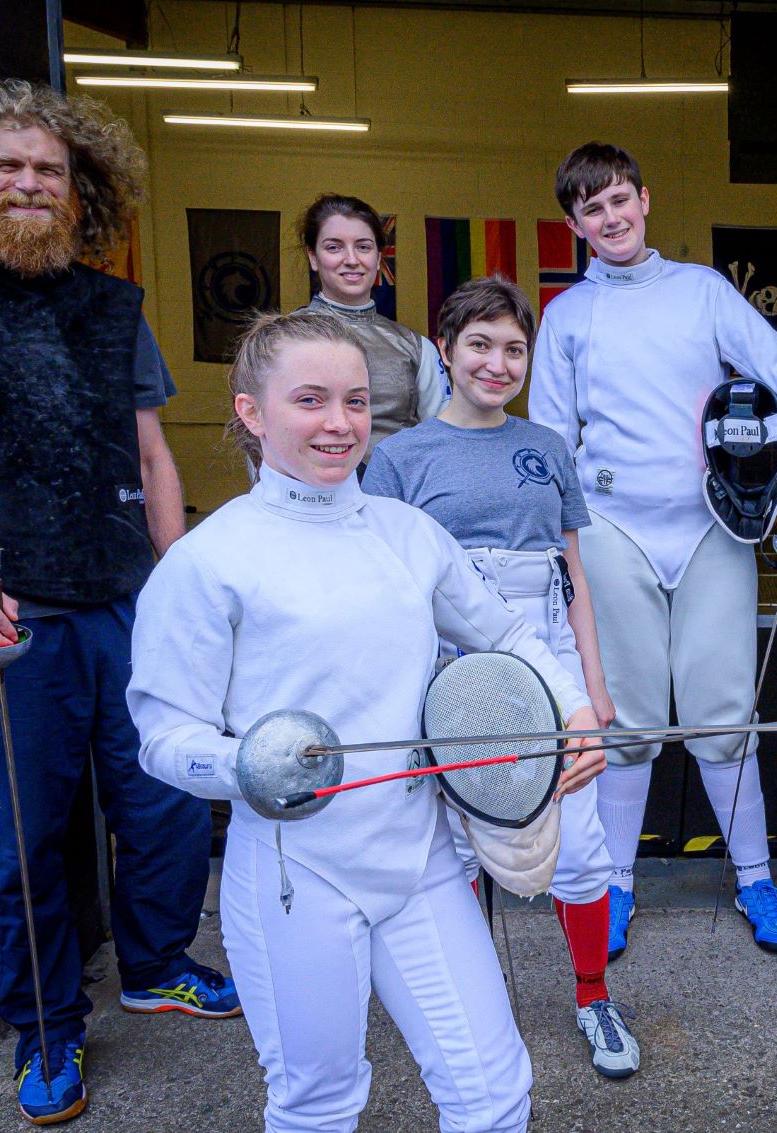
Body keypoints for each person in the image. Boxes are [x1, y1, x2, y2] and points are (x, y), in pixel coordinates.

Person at [0, 78, 232, 1125]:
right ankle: (47, 1027)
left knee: (163, 801)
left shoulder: (112, 304)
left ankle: (156, 962)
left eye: (48, 170)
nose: (28, 183)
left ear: (81, 191)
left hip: (126, 603)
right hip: (12, 620)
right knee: (23, 841)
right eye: (6, 165)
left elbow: (153, 453)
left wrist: (181, 588)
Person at [128, 310, 603, 1133]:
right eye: (310, 400)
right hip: (294, 872)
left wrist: (575, 709)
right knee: (318, 1102)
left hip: (418, 860)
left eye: (353, 401)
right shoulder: (210, 559)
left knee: (494, 1092)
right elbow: (165, 735)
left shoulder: (409, 534)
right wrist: (245, 765)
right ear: (252, 411)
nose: (339, 423)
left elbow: (510, 632)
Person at [529, 142, 777, 958]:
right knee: (622, 725)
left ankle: (755, 877)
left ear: (645, 198)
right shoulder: (566, 316)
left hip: (711, 526)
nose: (611, 217)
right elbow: (553, 443)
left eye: (620, 198)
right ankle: (617, 885)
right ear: (575, 225)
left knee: (723, 718)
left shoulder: (703, 293)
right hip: (611, 528)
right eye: (593, 209)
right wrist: (552, 550)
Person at [363, 275, 640, 1079]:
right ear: (444, 349)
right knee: (457, 849)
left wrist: (594, 686)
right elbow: (386, 593)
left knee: (580, 845)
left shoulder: (548, 447)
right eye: (478, 344)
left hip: (543, 655)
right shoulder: (398, 457)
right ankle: (479, 1018)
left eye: (513, 347)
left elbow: (575, 579)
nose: (496, 361)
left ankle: (594, 996)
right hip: (446, 669)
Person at [296, 193, 446, 458]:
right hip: (307, 495)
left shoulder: (416, 347)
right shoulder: (279, 340)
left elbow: (444, 436)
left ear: (378, 259)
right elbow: (259, 436)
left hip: (395, 495)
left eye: (363, 247)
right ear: (313, 257)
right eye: (334, 247)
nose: (351, 259)